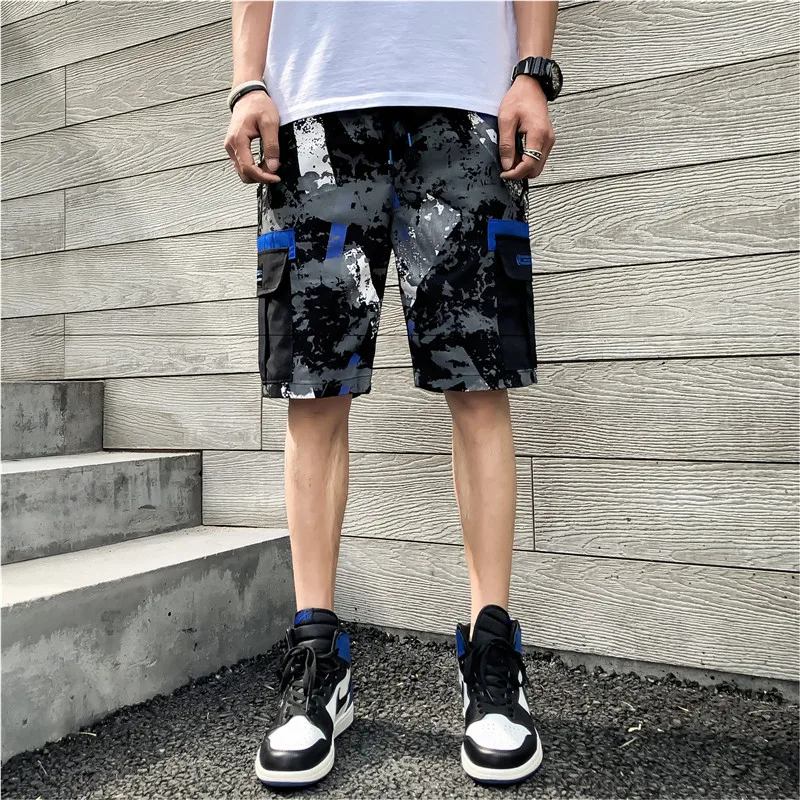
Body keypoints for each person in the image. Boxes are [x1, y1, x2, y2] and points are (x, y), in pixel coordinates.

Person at [224, 0, 561, 787]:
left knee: (479, 385)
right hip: (313, 108)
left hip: (467, 101)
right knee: (313, 395)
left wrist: (533, 70)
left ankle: (491, 656)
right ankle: (318, 664)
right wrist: (246, 81)